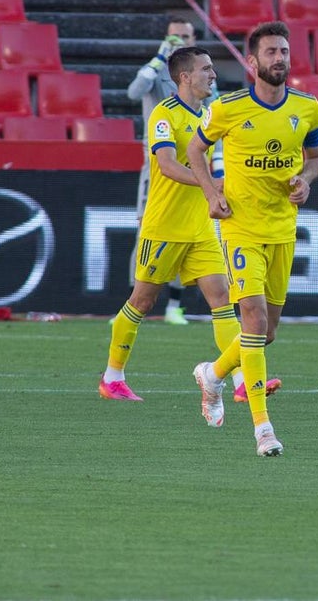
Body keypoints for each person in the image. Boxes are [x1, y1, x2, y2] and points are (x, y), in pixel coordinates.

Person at [187, 21, 318, 457]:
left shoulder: (307, 108)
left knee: (265, 333)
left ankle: (212, 374)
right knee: (254, 318)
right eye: (270, 52)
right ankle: (263, 428)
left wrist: (305, 179)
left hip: (282, 229)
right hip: (241, 226)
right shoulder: (228, 108)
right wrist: (211, 193)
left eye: (284, 51)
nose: (279, 58)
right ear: (252, 62)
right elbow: (194, 149)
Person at [99, 46, 244, 418]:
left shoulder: (211, 117)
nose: (213, 75)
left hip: (200, 226)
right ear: (184, 76)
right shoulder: (165, 114)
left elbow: (215, 164)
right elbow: (165, 166)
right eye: (206, 69)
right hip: (164, 225)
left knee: (222, 298)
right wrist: (211, 185)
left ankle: (242, 379)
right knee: (143, 301)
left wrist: (221, 187)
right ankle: (112, 377)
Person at [127, 16, 198, 325]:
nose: (180, 41)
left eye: (185, 36)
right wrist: (159, 57)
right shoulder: (155, 72)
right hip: (156, 165)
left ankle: (174, 306)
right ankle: (132, 303)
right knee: (146, 231)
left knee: (188, 231)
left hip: (192, 164)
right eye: (175, 36)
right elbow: (134, 91)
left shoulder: (202, 76)